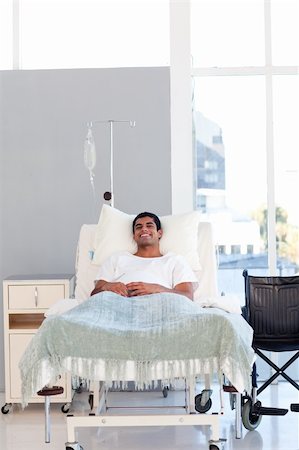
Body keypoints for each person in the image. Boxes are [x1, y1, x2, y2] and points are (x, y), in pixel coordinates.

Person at [91, 212, 198, 300]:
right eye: (139, 227)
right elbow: (93, 296)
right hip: (119, 306)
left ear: (159, 233)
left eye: (149, 225)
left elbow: (187, 297)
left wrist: (157, 289)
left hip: (160, 308)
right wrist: (108, 287)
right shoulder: (117, 258)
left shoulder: (174, 261)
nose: (144, 229)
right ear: (134, 236)